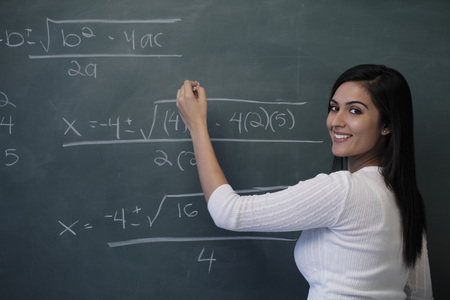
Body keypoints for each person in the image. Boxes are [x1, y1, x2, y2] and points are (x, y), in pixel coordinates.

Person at [176, 64, 433, 299]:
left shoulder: (342, 190)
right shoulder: (405, 197)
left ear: (386, 125)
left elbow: (229, 212)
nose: (337, 121)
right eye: (334, 108)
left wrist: (197, 125)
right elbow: (420, 292)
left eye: (354, 110)